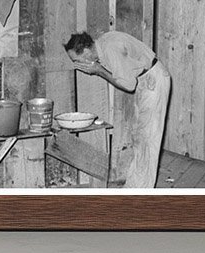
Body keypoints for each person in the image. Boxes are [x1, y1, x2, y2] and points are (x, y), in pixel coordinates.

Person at [64, 30, 171, 189]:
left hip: (153, 80)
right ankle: (135, 185)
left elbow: (129, 85)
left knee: (148, 138)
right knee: (140, 136)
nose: (77, 64)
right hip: (146, 79)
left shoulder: (110, 48)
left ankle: (140, 190)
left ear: (86, 52)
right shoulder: (103, 43)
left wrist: (98, 70)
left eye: (77, 60)